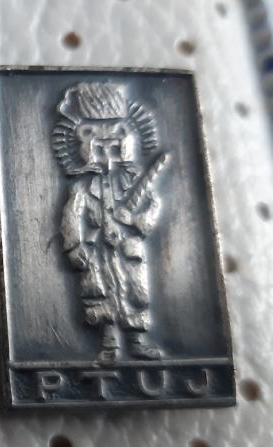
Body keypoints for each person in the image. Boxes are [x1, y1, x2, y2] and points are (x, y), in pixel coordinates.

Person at [53, 82, 167, 363]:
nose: (106, 146)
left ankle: (137, 342)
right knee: (100, 292)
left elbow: (154, 207)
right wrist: (73, 246)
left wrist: (137, 221)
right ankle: (109, 344)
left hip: (128, 250)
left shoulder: (136, 183)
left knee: (135, 292)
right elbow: (71, 216)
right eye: (95, 138)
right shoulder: (81, 187)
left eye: (114, 138)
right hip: (97, 251)